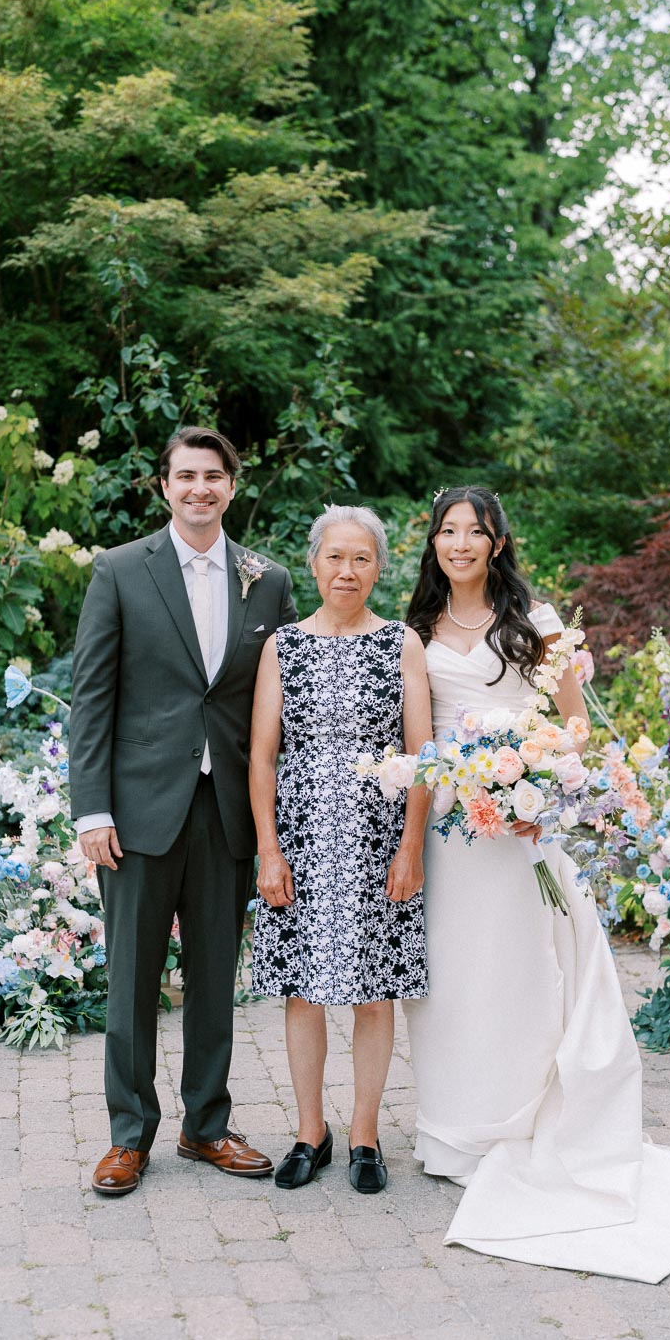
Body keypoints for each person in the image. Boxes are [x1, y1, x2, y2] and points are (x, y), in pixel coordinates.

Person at [402, 486, 670, 1282]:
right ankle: (457, 1129)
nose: (460, 544)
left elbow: (576, 724)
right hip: (456, 827)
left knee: (526, 971)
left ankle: (526, 1116)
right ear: (435, 543)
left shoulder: (540, 621)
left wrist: (542, 779)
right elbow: (417, 739)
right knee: (454, 975)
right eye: (448, 531)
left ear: (496, 543)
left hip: (523, 827)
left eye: (475, 532)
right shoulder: (414, 630)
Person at [70, 425, 297, 1196]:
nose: (200, 488)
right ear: (163, 485)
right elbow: (91, 699)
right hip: (138, 809)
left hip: (225, 806)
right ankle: (128, 1135)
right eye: (186, 475)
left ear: (233, 486)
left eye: (214, 476)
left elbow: (276, 708)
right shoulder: (121, 571)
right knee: (131, 977)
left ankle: (207, 1126)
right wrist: (90, 810)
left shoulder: (267, 581)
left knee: (213, 974)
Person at [249, 505, 432, 1193]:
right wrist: (270, 848)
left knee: (374, 992)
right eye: (334, 557)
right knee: (302, 992)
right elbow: (262, 757)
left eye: (361, 558)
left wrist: (410, 845)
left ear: (378, 567)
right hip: (299, 838)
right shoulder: (283, 646)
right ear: (314, 563)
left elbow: (422, 755)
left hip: (378, 841)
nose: (346, 571)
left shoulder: (400, 644)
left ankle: (364, 1134)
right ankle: (308, 1132)